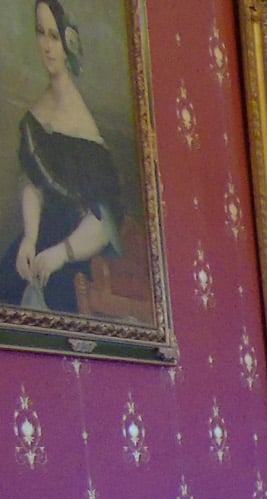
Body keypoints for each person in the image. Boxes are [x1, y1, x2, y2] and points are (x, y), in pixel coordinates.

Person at [1, 1, 120, 313]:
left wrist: (61, 253)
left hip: (81, 247)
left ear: (69, 43)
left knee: (59, 296)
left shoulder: (86, 125)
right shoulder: (32, 120)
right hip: (44, 231)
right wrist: (29, 237)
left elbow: (103, 222)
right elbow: (33, 182)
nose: (47, 46)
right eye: (41, 34)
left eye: (54, 36)